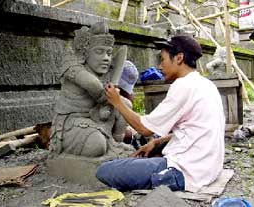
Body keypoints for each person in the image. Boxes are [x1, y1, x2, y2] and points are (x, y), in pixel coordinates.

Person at [96, 35, 225, 192]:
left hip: (186, 172)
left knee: (104, 171)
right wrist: (157, 142)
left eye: (162, 60)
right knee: (150, 148)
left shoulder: (183, 86)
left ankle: (163, 175)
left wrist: (117, 102)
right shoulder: (206, 84)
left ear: (179, 58)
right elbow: (199, 130)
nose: (159, 66)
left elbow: (144, 129)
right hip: (209, 168)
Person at [49, 22, 131, 157]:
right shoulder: (74, 68)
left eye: (109, 53)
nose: (106, 58)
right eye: (99, 52)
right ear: (85, 53)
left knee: (126, 105)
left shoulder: (102, 70)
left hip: (97, 117)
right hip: (72, 124)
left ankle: (115, 143)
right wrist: (111, 96)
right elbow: (94, 86)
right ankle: (106, 147)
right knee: (97, 145)